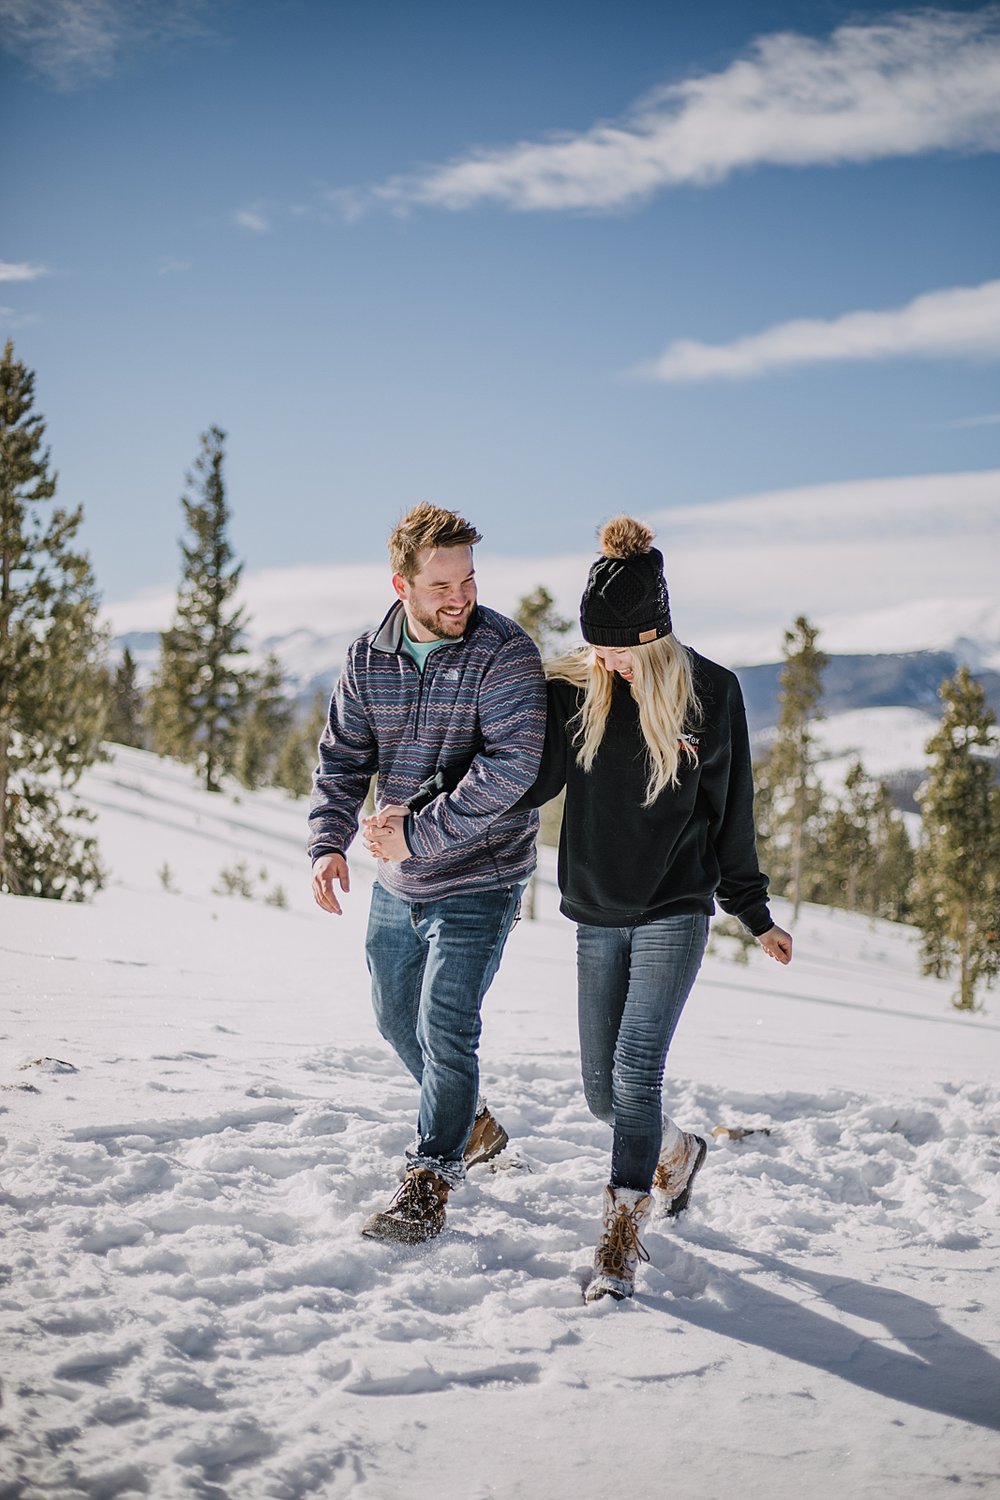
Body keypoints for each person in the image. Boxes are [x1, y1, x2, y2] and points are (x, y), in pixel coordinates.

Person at [521, 516, 792, 1302]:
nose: (604, 663)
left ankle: (622, 1225)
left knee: (637, 1072)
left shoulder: (711, 692)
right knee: (601, 1093)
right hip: (597, 908)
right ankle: (677, 1150)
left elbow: (730, 813)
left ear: (656, 637)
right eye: (596, 649)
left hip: (675, 904)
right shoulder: (575, 687)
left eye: (619, 652)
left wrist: (754, 911)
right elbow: (530, 783)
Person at [309, 503, 545, 1245]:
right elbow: (343, 759)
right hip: (398, 880)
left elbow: (512, 768)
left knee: (447, 1027)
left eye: (469, 580)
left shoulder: (503, 652)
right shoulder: (366, 659)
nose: (460, 597)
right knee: (392, 1016)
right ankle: (468, 1123)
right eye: (442, 584)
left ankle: (430, 1178)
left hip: (482, 872)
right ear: (401, 583)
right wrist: (329, 842)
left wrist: (419, 831)